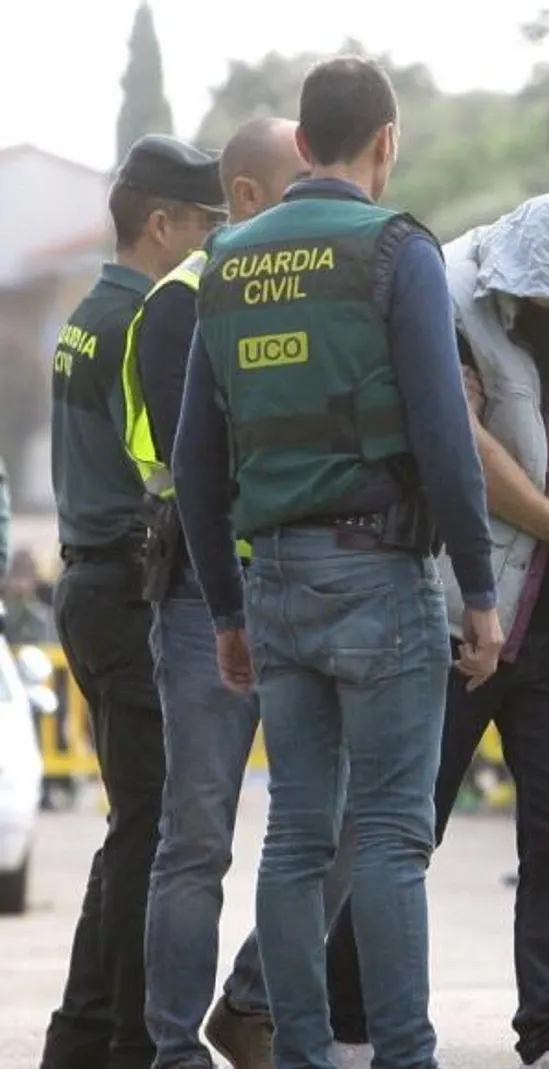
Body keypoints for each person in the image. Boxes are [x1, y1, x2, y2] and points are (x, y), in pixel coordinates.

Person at [172, 55, 501, 1069]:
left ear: (303, 144)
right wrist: (481, 590)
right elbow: (447, 438)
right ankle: (404, 1056)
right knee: (395, 837)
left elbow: (194, 457)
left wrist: (227, 609)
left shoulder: (225, 260)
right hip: (379, 579)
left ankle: (303, 1056)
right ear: (385, 143)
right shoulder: (395, 250)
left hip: (272, 581)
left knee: (296, 837)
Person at [324, 192, 549, 1069]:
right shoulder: (449, 292)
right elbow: (459, 449)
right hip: (461, 598)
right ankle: (348, 1015)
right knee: (403, 824)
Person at [126, 116, 365, 1069]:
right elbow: (196, 462)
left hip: (305, 584)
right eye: (299, 183)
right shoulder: (186, 301)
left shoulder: (305, 289)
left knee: (346, 823)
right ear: (248, 197)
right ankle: (174, 1050)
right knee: (198, 837)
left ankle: (254, 1001)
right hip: (204, 592)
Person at [41, 133, 226, 1069]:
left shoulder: (88, 311)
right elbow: (170, 469)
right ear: (163, 223)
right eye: (205, 224)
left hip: (91, 580)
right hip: (122, 588)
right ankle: (117, 1041)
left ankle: (82, 1037)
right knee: (152, 831)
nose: (211, 243)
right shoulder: (141, 321)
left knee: (137, 824)